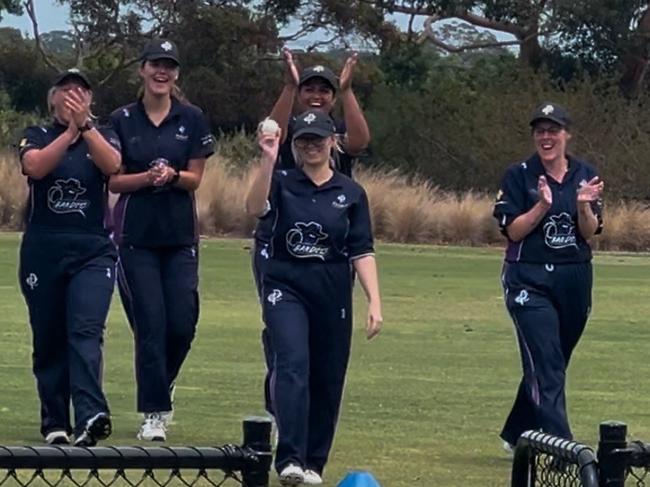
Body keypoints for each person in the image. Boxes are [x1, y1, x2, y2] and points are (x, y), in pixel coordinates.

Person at [245, 109, 383, 486]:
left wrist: (374, 301)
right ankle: (289, 457)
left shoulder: (351, 193)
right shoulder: (282, 182)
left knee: (327, 378)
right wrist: (268, 159)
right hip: (285, 287)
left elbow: (361, 250)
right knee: (292, 365)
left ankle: (313, 464)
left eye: (318, 139)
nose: (311, 146)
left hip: (332, 294)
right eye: (304, 139)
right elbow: (254, 208)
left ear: (332, 142)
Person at [253, 48, 371, 419]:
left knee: (322, 334)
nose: (316, 96)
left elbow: (359, 142)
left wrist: (349, 90)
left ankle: (306, 406)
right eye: (309, 89)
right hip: (279, 248)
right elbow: (273, 132)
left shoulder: (334, 135)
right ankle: (282, 404)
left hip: (330, 251)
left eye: (325, 90)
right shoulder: (292, 134)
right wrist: (289, 86)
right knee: (282, 330)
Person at [109, 39, 215, 442]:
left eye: (169, 66)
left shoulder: (192, 118)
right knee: (150, 325)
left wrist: (171, 176)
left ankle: (163, 384)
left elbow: (195, 178)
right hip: (136, 238)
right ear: (142, 69)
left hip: (179, 238)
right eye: (155, 64)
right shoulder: (123, 119)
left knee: (182, 325)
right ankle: (154, 411)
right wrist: (146, 179)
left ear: (176, 73)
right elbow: (115, 179)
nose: (162, 72)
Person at [18, 68, 121, 446]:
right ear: (53, 99)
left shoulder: (104, 135)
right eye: (66, 90)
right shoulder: (36, 134)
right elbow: (36, 167)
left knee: (85, 330)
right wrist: (68, 134)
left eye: (81, 91)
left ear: (90, 101)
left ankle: (91, 413)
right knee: (49, 336)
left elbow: (112, 167)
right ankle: (55, 420)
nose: (73, 96)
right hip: (44, 249)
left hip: (91, 248)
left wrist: (86, 129)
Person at [493, 102, 604, 451]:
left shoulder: (585, 173)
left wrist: (583, 204)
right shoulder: (518, 175)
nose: (546, 137)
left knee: (554, 360)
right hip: (529, 277)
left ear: (566, 134)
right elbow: (513, 232)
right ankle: (561, 446)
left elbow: (589, 232)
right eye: (540, 131)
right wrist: (541, 205)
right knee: (547, 362)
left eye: (553, 130)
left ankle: (517, 433)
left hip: (574, 277)